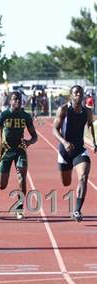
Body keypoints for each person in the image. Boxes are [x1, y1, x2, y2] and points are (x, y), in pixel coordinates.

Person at [0, 91, 38, 219]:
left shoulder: (26, 116)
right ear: (10, 101)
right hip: (6, 151)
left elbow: (35, 136)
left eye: (19, 99)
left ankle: (19, 207)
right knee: (2, 185)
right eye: (15, 99)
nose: (17, 101)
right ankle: (0, 170)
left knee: (22, 177)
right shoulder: (4, 115)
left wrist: (29, 142)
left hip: (20, 150)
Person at [53, 85, 97, 222]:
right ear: (71, 95)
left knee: (83, 177)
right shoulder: (64, 110)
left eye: (80, 93)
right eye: (76, 93)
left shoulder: (87, 111)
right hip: (64, 151)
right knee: (66, 183)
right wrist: (64, 143)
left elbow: (90, 125)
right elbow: (54, 129)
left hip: (79, 150)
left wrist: (94, 142)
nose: (78, 95)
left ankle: (77, 210)